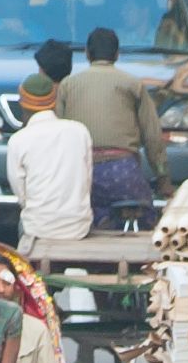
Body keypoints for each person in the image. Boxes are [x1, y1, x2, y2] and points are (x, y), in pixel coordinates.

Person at [55, 25, 164, 227]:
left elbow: (58, 136)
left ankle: (100, 218)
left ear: (87, 54)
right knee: (147, 218)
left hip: (82, 174)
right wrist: (163, 178)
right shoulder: (132, 84)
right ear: (117, 54)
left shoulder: (67, 85)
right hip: (124, 172)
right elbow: (153, 137)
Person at [8, 71, 94, 261]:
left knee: (23, 223)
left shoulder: (18, 140)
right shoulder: (80, 131)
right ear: (53, 102)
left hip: (38, 229)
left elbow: (22, 195)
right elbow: (86, 182)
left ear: (23, 104)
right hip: (78, 228)